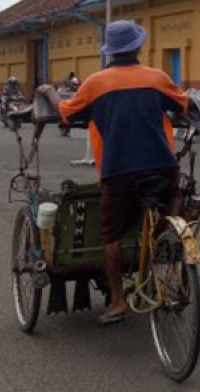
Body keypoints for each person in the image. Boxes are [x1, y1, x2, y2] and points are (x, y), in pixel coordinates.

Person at [57, 20, 187, 326]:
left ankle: (117, 302)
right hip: (161, 165)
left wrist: (50, 93)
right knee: (173, 204)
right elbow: (182, 105)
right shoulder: (157, 77)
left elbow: (67, 113)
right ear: (138, 47)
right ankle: (171, 251)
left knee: (110, 234)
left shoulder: (94, 83)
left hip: (119, 171)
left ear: (110, 52)